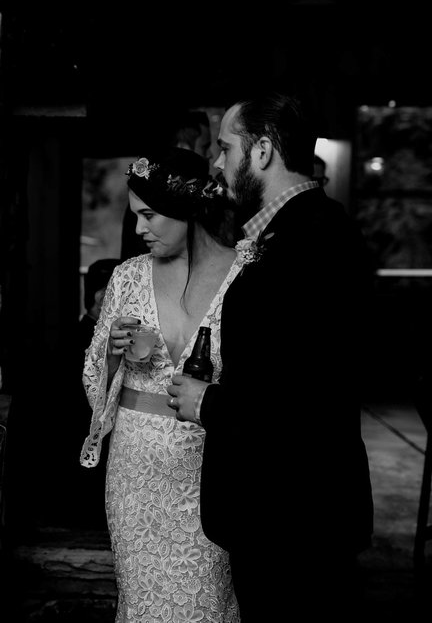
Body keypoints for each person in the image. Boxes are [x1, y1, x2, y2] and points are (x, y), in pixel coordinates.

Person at [167, 92, 374, 622]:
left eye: (225, 148)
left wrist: (207, 402)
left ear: (262, 151)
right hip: (285, 512)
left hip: (295, 519)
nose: (217, 162)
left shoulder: (314, 243)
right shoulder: (291, 232)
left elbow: (303, 399)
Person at [81, 148, 243, 622]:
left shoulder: (245, 276)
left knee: (208, 600)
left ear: (188, 207)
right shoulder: (127, 277)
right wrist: (110, 352)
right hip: (136, 472)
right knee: (142, 601)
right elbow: (94, 378)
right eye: (135, 216)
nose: (138, 229)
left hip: (211, 470)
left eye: (149, 214)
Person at [121, 110, 213, 260]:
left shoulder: (210, 202)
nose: (211, 155)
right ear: (184, 147)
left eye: (148, 215)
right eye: (204, 146)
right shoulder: (143, 203)